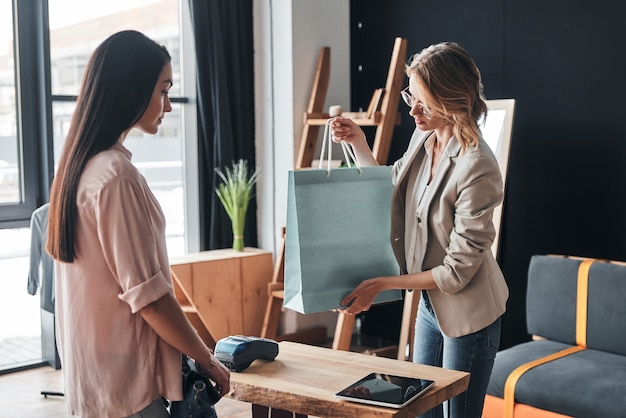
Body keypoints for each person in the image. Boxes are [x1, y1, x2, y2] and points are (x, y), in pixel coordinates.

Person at [46, 30, 230, 418]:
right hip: (126, 385)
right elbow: (151, 299)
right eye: (163, 90)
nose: (168, 105)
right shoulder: (115, 176)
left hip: (96, 377)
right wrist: (208, 360)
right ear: (132, 88)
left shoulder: (81, 167)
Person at [330, 42, 509, 418]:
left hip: (471, 314)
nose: (412, 109)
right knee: (419, 409)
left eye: (423, 102)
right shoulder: (424, 138)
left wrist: (382, 284)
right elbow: (390, 188)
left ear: (451, 100)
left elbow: (456, 272)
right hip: (430, 305)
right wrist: (359, 142)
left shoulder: (478, 166)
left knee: (457, 414)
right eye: (411, 94)